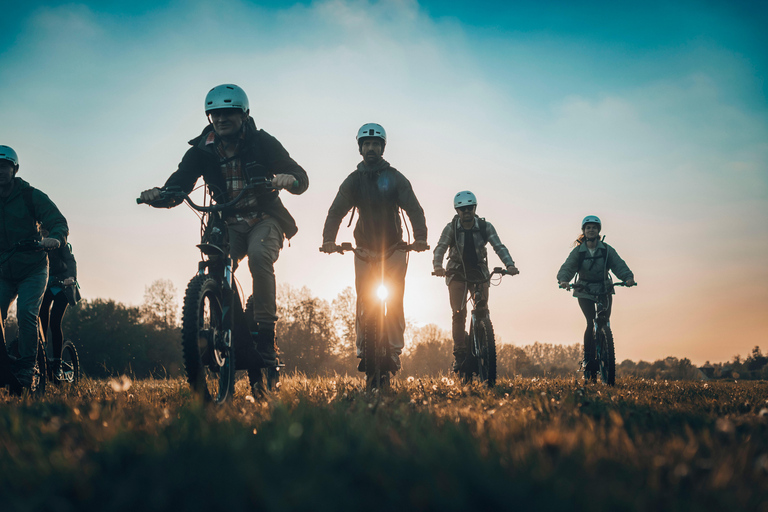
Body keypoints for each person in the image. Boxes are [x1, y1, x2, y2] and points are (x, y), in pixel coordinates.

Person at [139, 84, 308, 364]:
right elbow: (179, 184)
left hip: (264, 219)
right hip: (226, 221)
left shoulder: (262, 142)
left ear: (244, 115)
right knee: (216, 266)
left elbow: (298, 174)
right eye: (215, 114)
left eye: (228, 113)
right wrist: (158, 195)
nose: (221, 119)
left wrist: (291, 180)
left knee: (259, 257)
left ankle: (266, 337)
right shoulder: (201, 149)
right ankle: (228, 327)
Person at [321, 123, 428, 373]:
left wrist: (421, 238)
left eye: (376, 144)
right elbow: (336, 211)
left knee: (395, 299)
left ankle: (394, 351)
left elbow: (414, 209)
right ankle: (364, 350)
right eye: (367, 144)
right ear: (360, 149)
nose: (371, 148)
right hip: (364, 249)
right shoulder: (353, 181)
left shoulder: (395, 177)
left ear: (382, 148)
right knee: (363, 301)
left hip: (394, 248)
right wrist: (328, 240)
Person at [0, 145, 68, 390]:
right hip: (3, 271)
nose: (0, 171)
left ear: (14, 170)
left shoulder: (30, 196)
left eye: (5, 167)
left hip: (33, 268)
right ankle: (3, 363)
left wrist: (55, 237)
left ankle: (28, 367)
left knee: (27, 313)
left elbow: (57, 220)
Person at [432, 190, 519, 372]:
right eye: (463, 209)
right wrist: (438, 266)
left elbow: (499, 246)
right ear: (457, 211)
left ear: (475, 208)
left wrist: (510, 265)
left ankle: (483, 336)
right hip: (456, 272)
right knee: (459, 313)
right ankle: (460, 353)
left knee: (483, 309)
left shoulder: (485, 227)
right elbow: (440, 248)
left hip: (479, 271)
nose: (467, 212)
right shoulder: (451, 228)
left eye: (470, 208)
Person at [557, 215, 635, 376]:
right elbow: (568, 267)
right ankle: (588, 361)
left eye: (594, 227)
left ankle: (605, 349)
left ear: (598, 230)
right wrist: (564, 280)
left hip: (604, 288)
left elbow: (618, 264)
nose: (591, 230)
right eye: (588, 228)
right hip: (584, 290)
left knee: (604, 321)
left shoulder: (606, 250)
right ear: (584, 231)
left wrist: (628, 277)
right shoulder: (578, 251)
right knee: (590, 321)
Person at [39, 228, 80, 381]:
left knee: (55, 322)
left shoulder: (59, 243)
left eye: (45, 230)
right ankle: (42, 354)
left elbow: (70, 261)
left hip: (63, 286)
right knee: (41, 319)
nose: (43, 233)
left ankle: (57, 363)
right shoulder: (37, 243)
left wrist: (71, 277)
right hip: (45, 286)